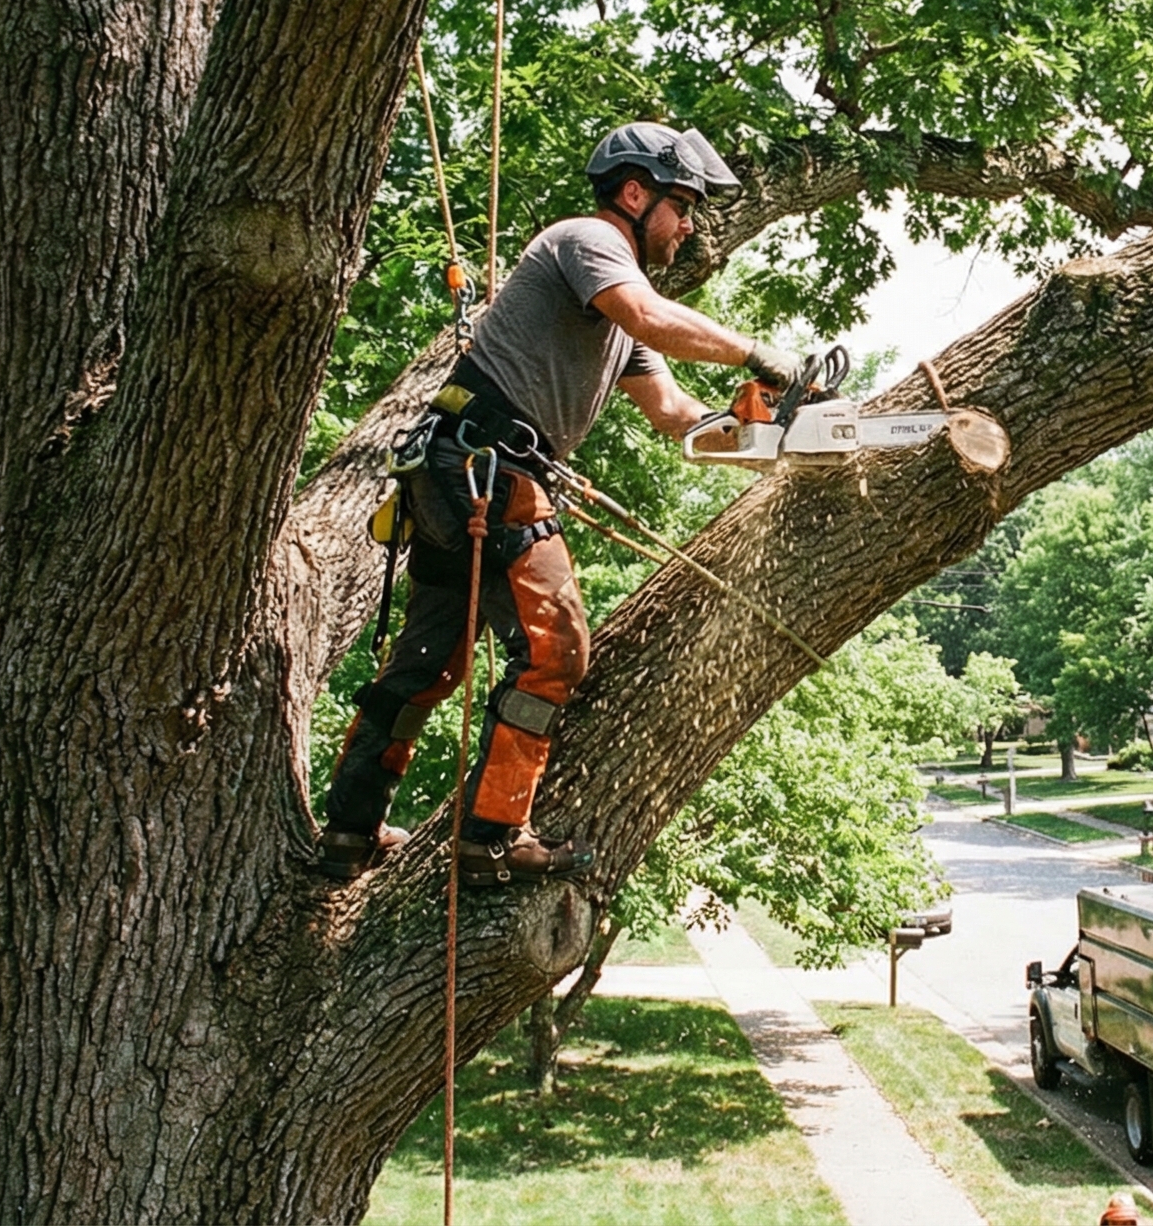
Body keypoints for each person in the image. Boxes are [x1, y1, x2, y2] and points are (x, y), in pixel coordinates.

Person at [316, 121, 805, 887]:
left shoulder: (617, 316)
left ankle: (349, 828)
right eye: (682, 205)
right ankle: (490, 840)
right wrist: (753, 351)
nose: (689, 225)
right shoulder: (588, 242)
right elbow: (650, 316)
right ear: (635, 193)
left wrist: (761, 435)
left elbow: (673, 412)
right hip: (485, 468)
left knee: (429, 665)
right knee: (556, 654)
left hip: (461, 470)